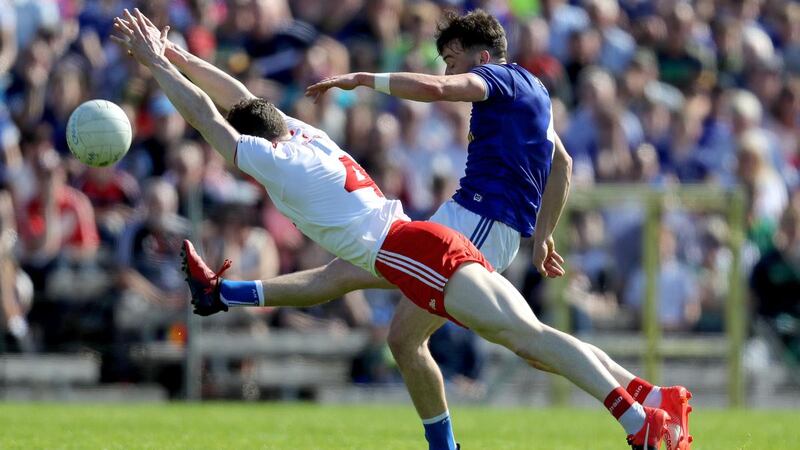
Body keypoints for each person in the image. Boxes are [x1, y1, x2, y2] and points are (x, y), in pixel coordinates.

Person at [113, 9, 688, 449]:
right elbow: (240, 100)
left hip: (434, 240)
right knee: (409, 320)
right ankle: (647, 404)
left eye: (452, 56)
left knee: (524, 337)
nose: (448, 68)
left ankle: (640, 418)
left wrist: (158, 65)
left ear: (479, 52)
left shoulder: (274, 161)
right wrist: (176, 55)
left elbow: (208, 117)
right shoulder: (307, 138)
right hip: (420, 238)